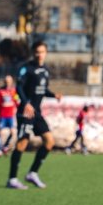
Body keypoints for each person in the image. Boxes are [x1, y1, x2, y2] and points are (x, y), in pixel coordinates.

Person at [6, 41, 62, 190]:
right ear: (33, 53)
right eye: (37, 52)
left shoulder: (45, 70)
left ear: (46, 53)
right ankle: (12, 179)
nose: (39, 54)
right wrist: (26, 103)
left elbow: (43, 90)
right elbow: (19, 87)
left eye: (42, 51)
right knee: (22, 143)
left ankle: (32, 173)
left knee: (49, 141)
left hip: (37, 112)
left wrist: (53, 95)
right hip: (26, 112)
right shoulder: (26, 68)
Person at [0, 75, 19, 157]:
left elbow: (16, 101)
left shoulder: (14, 91)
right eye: (6, 81)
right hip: (2, 115)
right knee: (0, 132)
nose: (7, 83)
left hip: (10, 115)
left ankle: (5, 146)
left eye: (9, 81)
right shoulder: (0, 91)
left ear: (11, 82)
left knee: (12, 132)